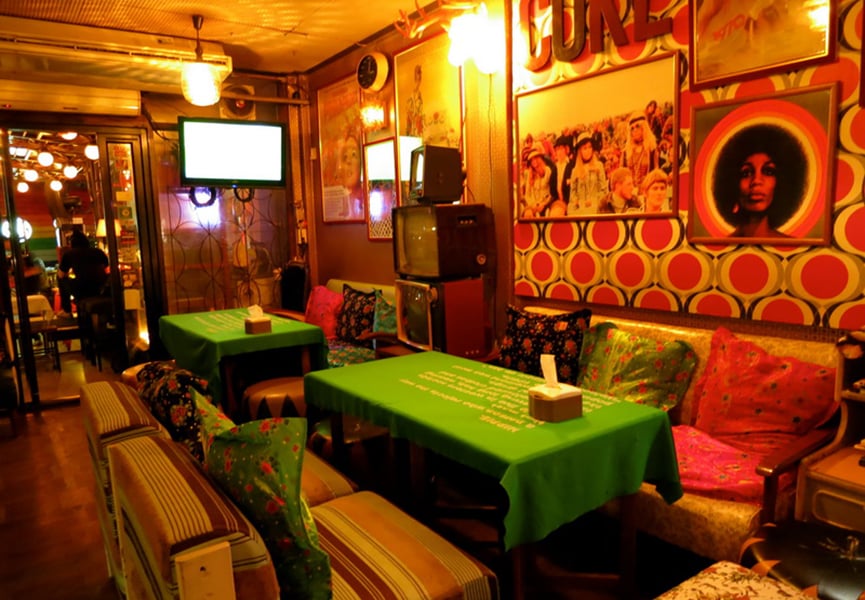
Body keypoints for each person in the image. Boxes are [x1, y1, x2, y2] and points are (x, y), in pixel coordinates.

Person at [712, 124, 807, 238]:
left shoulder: (793, 245)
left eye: (768, 172)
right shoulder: (720, 245)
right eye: (746, 173)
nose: (756, 181)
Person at [57, 229, 109, 316]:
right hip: (100, 287)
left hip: (82, 289)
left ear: (72, 243)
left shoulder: (69, 254)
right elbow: (107, 268)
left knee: (60, 279)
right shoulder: (98, 252)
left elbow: (61, 274)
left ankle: (67, 310)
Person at [568, 131, 607, 215]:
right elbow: (572, 194)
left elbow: (604, 191)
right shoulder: (575, 171)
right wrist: (578, 202)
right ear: (580, 151)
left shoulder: (599, 166)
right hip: (580, 211)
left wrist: (593, 201)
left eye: (590, 147)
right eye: (585, 148)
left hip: (597, 210)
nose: (588, 150)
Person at [622, 111, 659, 190]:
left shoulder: (652, 149)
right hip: (630, 191)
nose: (635, 130)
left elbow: (656, 173)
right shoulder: (626, 151)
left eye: (637, 126)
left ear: (644, 128)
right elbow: (622, 175)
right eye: (632, 128)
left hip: (647, 189)